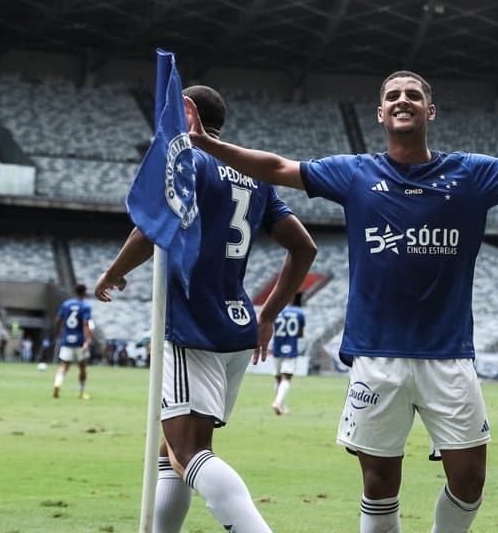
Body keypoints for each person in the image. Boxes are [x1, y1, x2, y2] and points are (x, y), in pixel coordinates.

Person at [184, 71, 498, 533]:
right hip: (375, 355)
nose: (402, 100)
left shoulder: (470, 174)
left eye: (413, 94)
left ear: (430, 111)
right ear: (381, 113)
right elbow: (276, 168)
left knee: (470, 481)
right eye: (393, 96)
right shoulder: (355, 174)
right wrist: (209, 145)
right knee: (379, 481)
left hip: (447, 356)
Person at [95, 84, 318, 533]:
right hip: (237, 327)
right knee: (170, 452)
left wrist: (114, 272)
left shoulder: (188, 162)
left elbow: (147, 231)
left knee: (189, 453)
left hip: (191, 327)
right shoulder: (253, 175)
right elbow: (304, 247)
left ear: (188, 111)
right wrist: (268, 314)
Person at [53, 284, 94, 400]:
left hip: (67, 339)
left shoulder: (66, 304)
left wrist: (60, 331)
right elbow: (85, 324)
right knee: (82, 367)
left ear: (75, 292)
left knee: (64, 365)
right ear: (84, 292)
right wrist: (87, 341)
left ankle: (57, 383)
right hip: (80, 341)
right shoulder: (85, 306)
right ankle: (81, 392)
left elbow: (58, 320)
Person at [270, 292, 305, 415]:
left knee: (278, 378)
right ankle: (278, 403)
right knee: (286, 378)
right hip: (290, 348)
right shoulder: (299, 313)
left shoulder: (276, 311)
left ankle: (280, 406)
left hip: (277, 347)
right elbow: (300, 334)